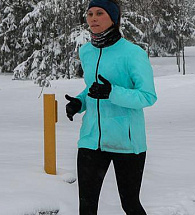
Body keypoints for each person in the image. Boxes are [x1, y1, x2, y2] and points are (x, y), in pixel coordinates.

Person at [64, 0, 157, 214]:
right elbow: (93, 88)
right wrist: (79, 102)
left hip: (125, 140)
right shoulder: (87, 51)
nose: (93, 18)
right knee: (86, 206)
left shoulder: (132, 53)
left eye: (99, 13)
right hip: (91, 138)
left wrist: (112, 92)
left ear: (113, 19)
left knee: (130, 204)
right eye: (90, 14)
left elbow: (147, 96)